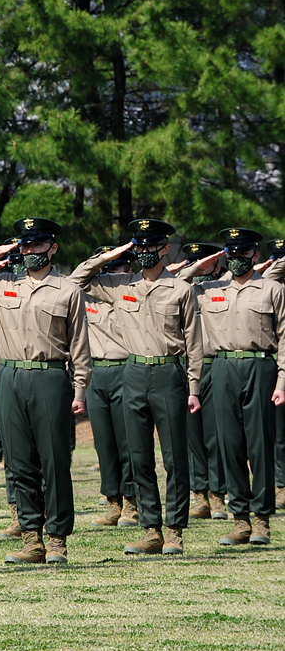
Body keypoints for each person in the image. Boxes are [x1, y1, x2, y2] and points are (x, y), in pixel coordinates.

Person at [0, 218, 91, 564]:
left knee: (54, 460)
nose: (29, 251)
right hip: (10, 376)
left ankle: (57, 538)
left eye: (36, 244)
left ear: (52, 247)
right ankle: (31, 537)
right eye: (24, 245)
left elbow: (80, 347)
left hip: (50, 376)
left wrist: (79, 390)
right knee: (18, 461)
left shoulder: (68, 290)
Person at [71, 220, 204, 556]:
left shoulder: (181, 290)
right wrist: (109, 255)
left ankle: (174, 530)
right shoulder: (121, 285)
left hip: (168, 373)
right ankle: (151, 528)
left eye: (150, 247)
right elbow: (76, 282)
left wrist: (193, 388)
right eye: (138, 247)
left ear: (165, 249)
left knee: (175, 458)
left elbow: (195, 345)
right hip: (133, 372)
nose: (144, 253)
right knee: (139, 456)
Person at [181, 229, 285, 546]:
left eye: (243, 253)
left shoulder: (272, 289)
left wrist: (282, 381)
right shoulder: (208, 289)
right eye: (231, 253)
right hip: (221, 368)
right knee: (229, 444)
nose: (237, 259)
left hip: (260, 367)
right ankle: (239, 519)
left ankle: (262, 521)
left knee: (260, 445)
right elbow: (172, 286)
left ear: (254, 255)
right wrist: (198, 267)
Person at [82, 246, 138, 528]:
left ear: (127, 270)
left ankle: (132, 502)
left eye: (117, 268)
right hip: (97, 375)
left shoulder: (132, 295)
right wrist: (99, 261)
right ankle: (112, 500)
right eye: (107, 270)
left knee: (128, 442)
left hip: (125, 371)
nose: (111, 275)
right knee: (104, 444)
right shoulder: (87, 297)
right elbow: (74, 279)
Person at [177, 242, 229, 520]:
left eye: (205, 263)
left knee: (216, 434)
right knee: (192, 435)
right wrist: (194, 269)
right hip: (188, 369)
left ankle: (219, 495)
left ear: (217, 265)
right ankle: (200, 494)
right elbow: (177, 279)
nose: (197, 269)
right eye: (193, 263)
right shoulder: (183, 291)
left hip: (216, 366)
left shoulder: (224, 287)